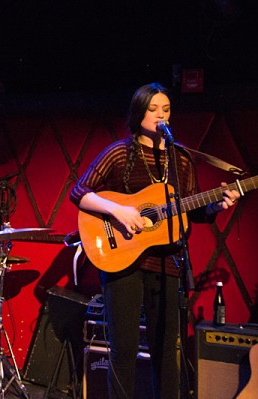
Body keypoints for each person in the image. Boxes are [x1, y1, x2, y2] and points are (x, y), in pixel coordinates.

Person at [70, 82, 239, 399]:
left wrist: (215, 205)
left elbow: (189, 209)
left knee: (166, 348)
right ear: (139, 113)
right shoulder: (120, 153)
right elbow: (79, 192)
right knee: (124, 347)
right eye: (153, 109)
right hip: (123, 262)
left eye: (166, 109)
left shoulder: (181, 159)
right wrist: (118, 210)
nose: (161, 115)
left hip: (167, 264)